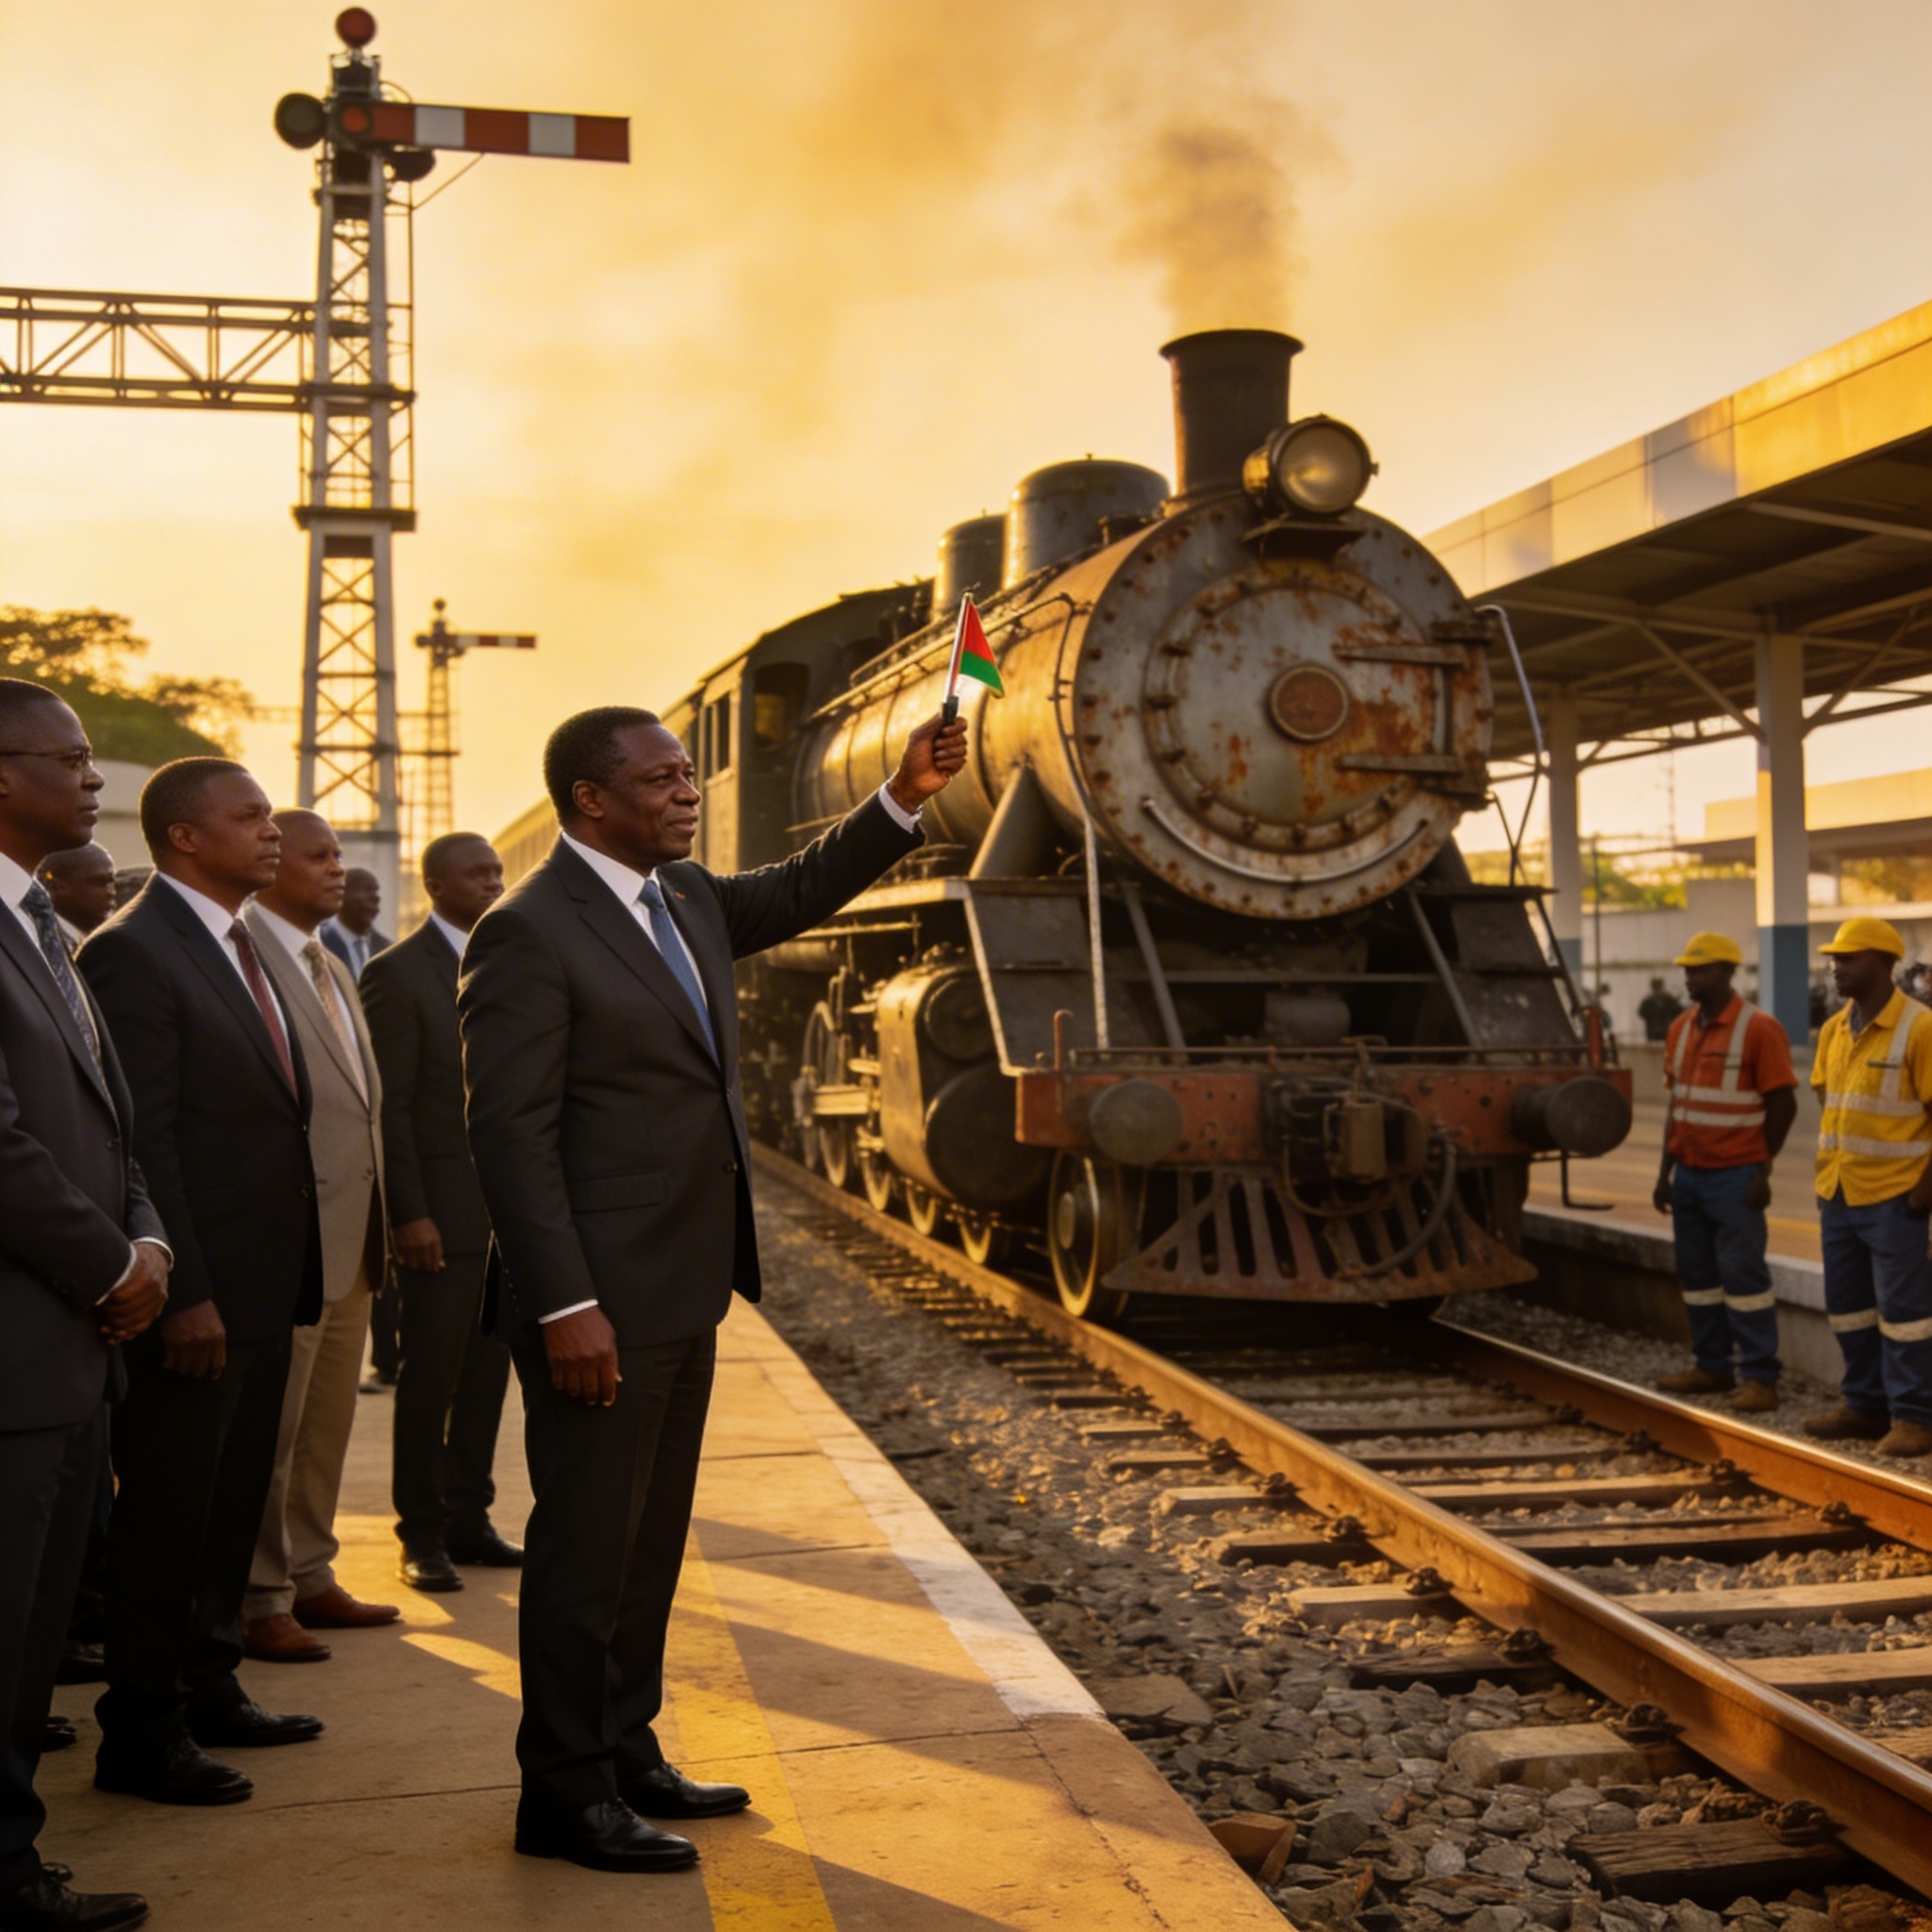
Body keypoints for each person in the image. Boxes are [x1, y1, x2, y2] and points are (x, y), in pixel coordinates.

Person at [460, 703, 965, 1874]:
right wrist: (563, 1303)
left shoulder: (682, 896)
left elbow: (797, 889)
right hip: (596, 1302)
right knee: (585, 1551)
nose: (687, 791)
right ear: (590, 800)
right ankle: (563, 1793)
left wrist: (901, 794)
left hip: (681, 1284)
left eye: (689, 772)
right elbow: (509, 1136)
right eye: (662, 778)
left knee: (646, 1546)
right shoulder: (526, 930)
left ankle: (625, 1749)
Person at [78, 758, 326, 1805]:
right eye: (250, 815)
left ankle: (210, 1683)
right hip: (201, 1296)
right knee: (168, 1519)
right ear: (185, 837)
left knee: (227, 1508)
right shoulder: (135, 952)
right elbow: (146, 1141)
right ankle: (143, 1731)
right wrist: (184, 1294)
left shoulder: (234, 941)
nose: (272, 830)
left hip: (262, 1287)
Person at [0, 681, 162, 1931]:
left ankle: (14, 1861)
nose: (96, 777)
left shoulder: (39, 930)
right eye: (73, 758)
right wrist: (114, 1268)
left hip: (66, 1349)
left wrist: (142, 1236)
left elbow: (106, 1124)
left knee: (30, 1639)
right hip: (21, 1351)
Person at [240, 811, 399, 1663]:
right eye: (320, 856)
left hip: (353, 1242)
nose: (338, 869)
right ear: (270, 863)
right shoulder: (243, 959)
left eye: (341, 855)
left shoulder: (330, 963)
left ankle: (309, 1571)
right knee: (274, 1432)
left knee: (325, 1428)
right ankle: (259, 1595)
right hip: (290, 1246)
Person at [360, 832, 517, 1594]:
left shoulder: (512, 961)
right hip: (440, 1224)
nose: (493, 883)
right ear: (435, 885)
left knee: (488, 1381)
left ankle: (468, 1518)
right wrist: (408, 1215)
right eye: (476, 873)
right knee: (429, 1383)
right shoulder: (396, 974)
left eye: (497, 871)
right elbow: (389, 1107)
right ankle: (419, 1534)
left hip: (509, 1222)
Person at [1650, 933, 1796, 1410]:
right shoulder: (1680, 1028)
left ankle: (1760, 1378)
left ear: (1728, 972)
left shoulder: (1759, 1029)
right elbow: (1678, 1105)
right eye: (1688, 970)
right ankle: (1711, 1367)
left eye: (1701, 970)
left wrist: (1762, 1169)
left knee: (1742, 1275)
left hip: (1735, 1177)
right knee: (1698, 1277)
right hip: (1689, 1176)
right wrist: (1664, 1173)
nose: (1690, 978)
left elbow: (1783, 1104)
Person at [1807, 916, 1932, 1457]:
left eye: (1847, 959)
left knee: (1906, 1315)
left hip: (1895, 1198)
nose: (1835, 968)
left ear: (1883, 963)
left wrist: (1927, 1183)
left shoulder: (1920, 1028)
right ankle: (1864, 1405)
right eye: (1833, 958)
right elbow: (1828, 1100)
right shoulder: (1834, 1030)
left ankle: (1914, 1417)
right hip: (1839, 1193)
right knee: (1849, 1308)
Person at [34, 841, 118, 954]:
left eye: (111, 882)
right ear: (60, 887)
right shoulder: (41, 940)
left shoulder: (102, 941)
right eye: (99, 882)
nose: (111, 892)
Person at [319, 867, 391, 982]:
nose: (376, 898)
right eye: (367, 890)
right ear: (342, 894)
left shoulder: (386, 949)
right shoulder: (319, 943)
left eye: (375, 891)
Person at [1638, 974, 1684, 1043]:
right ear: (1662, 985)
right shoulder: (1669, 998)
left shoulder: (1648, 1000)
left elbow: (1641, 1013)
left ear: (1652, 987)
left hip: (1652, 1030)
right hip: (1667, 1028)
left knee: (1653, 1048)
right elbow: (1679, 1011)